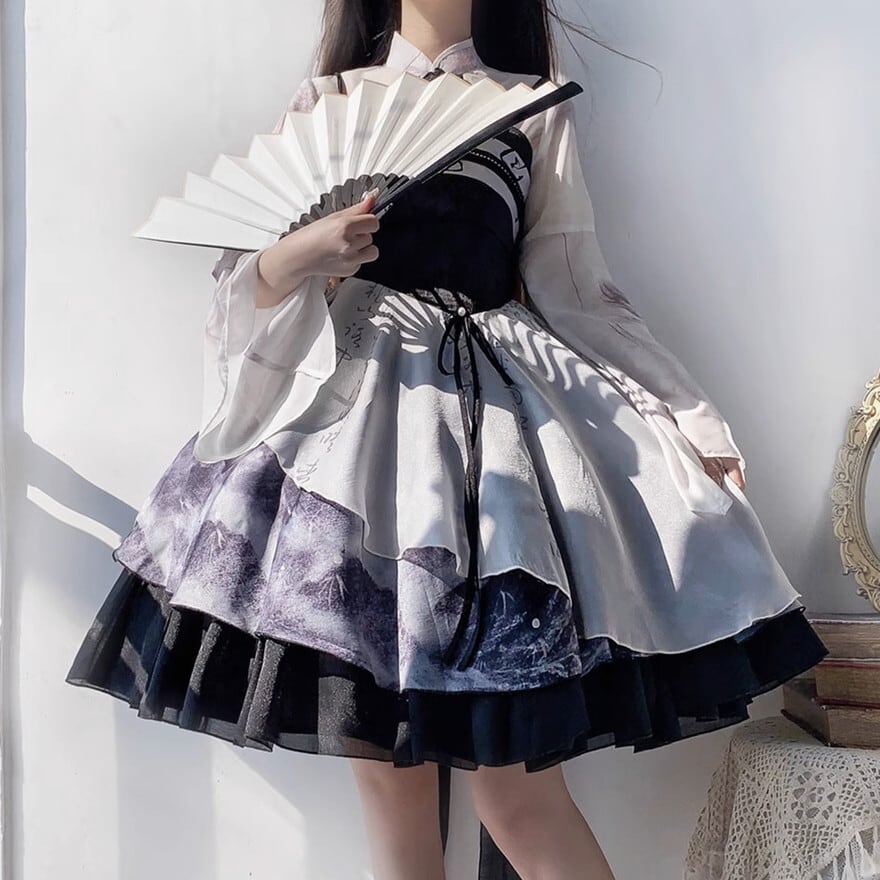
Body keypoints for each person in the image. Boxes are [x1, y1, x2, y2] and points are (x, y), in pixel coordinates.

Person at [65, 2, 830, 878]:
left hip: (492, 450)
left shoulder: (530, 106)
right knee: (390, 788)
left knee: (516, 793)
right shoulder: (328, 102)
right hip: (345, 445)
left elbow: (577, 289)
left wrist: (690, 414)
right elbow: (247, 285)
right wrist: (306, 253)